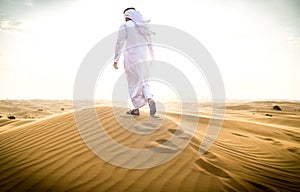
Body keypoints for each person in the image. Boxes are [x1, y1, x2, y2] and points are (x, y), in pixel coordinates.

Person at [113, 7, 156, 116]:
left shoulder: (125, 26)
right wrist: (152, 56)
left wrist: (116, 59)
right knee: (144, 82)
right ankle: (149, 98)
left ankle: (136, 109)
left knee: (133, 84)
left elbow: (120, 42)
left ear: (127, 16)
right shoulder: (144, 27)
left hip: (131, 59)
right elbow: (150, 44)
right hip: (144, 58)